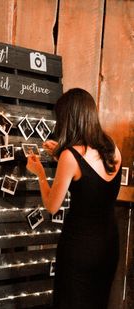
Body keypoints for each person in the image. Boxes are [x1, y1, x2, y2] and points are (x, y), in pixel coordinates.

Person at [26, 88, 122, 309]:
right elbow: (91, 178)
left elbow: (52, 206)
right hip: (108, 246)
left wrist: (40, 173)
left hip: (79, 249)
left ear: (68, 118)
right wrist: (61, 154)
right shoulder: (112, 148)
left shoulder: (70, 157)